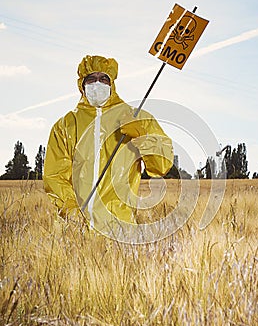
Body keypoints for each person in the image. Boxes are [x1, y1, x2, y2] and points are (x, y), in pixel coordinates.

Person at [43, 55, 174, 232]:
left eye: (104, 78)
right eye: (91, 79)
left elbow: (162, 166)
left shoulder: (137, 117)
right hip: (75, 230)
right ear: (82, 84)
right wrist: (70, 209)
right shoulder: (65, 125)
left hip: (121, 228)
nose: (98, 84)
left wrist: (142, 137)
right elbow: (55, 175)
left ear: (112, 83)